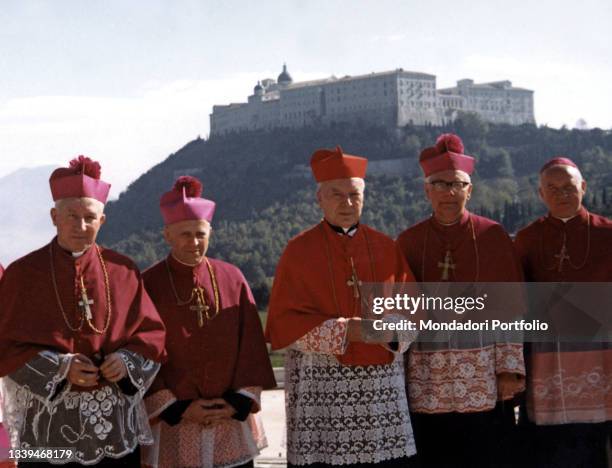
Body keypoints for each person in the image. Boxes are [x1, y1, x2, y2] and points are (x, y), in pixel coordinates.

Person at [0, 156, 166, 466]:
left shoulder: (123, 270)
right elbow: (7, 348)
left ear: (102, 220)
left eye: (89, 217)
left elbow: (151, 335)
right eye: (71, 216)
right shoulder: (23, 274)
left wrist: (125, 361)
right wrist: (61, 369)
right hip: (48, 431)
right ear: (53, 216)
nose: (80, 226)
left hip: (111, 426)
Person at [266, 146, 419, 467]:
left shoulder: (386, 246)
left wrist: (387, 330)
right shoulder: (298, 251)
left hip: (380, 392)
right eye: (337, 195)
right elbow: (283, 325)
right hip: (323, 388)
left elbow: (413, 310)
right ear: (319, 198)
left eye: (354, 194)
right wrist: (347, 330)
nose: (347, 203)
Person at [396, 134, 526, 467]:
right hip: (427, 379)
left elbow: (511, 308)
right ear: (426, 191)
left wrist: (509, 370)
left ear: (470, 189)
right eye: (440, 185)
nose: (449, 193)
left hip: (482, 378)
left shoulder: (493, 235)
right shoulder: (408, 241)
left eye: (457, 184)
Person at [141, 176, 276, 468]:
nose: (194, 242)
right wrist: (179, 408)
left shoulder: (233, 278)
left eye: (200, 234)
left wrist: (235, 403)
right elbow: (142, 352)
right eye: (185, 234)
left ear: (210, 232)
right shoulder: (148, 284)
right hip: (176, 424)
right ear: (167, 235)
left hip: (229, 421)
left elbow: (250, 346)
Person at [514, 157, 612, 468]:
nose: (562, 194)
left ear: (583, 187)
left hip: (602, 359)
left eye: (569, 187)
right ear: (540, 194)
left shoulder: (609, 233)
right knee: (549, 448)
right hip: (546, 364)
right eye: (552, 189)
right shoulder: (527, 239)